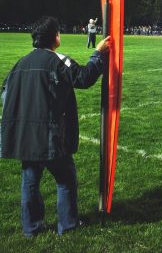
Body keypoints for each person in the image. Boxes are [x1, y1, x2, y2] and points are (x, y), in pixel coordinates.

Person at [1, 16, 110, 237]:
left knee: (30, 182)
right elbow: (84, 78)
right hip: (49, 136)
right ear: (54, 37)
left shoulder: (20, 64)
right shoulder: (58, 61)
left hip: (26, 137)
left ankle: (31, 229)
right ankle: (68, 225)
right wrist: (98, 53)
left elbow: (6, 93)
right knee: (65, 178)